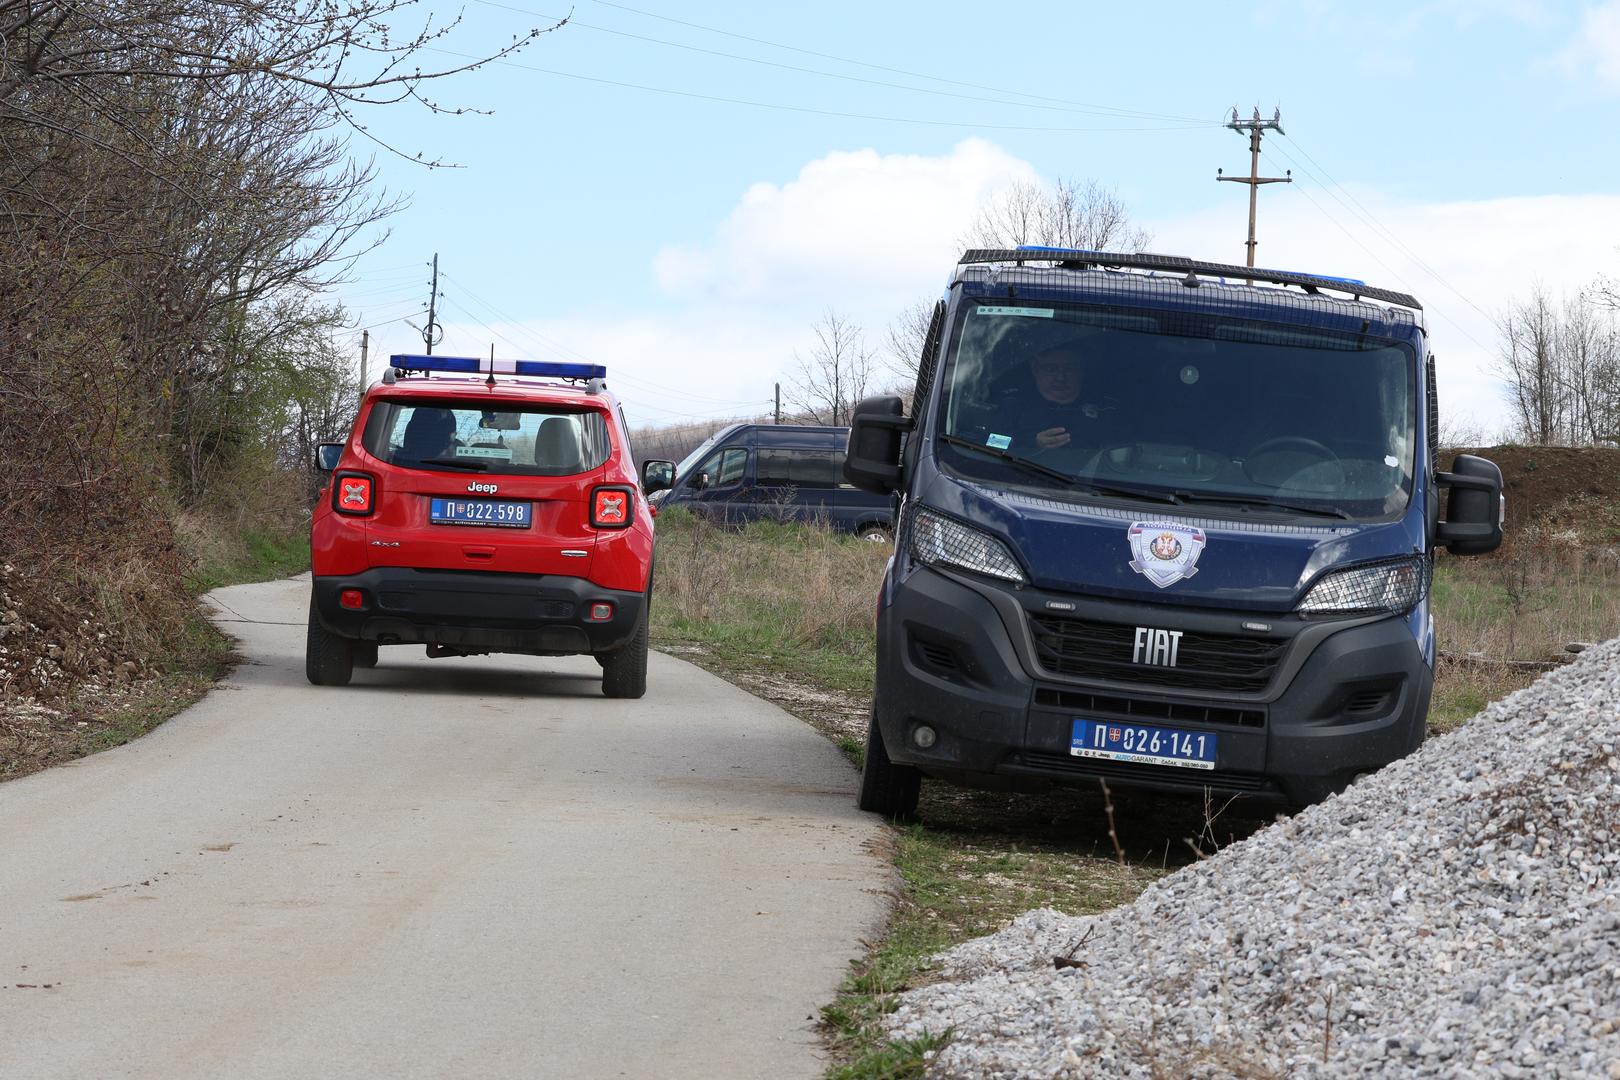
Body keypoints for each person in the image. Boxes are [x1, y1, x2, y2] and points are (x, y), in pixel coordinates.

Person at [993, 345, 1108, 455]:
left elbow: (1122, 454)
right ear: (1034, 367)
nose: (1061, 378)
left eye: (1069, 369)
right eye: (1050, 369)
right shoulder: (1012, 405)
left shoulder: (1106, 409)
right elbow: (988, 442)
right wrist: (1031, 442)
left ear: (1082, 367)